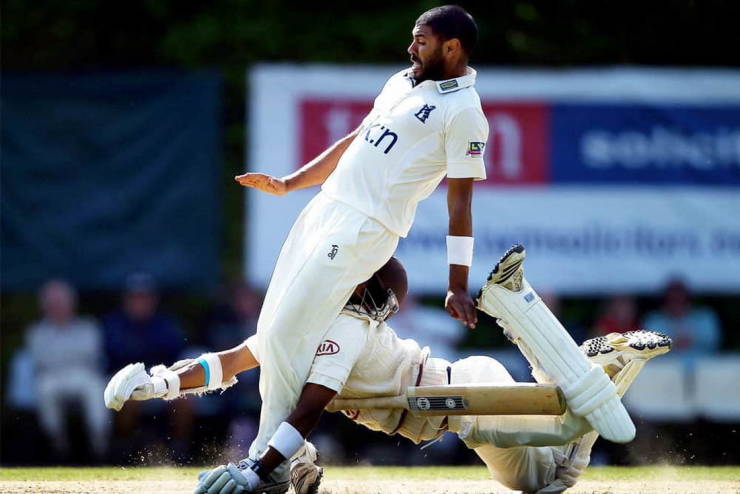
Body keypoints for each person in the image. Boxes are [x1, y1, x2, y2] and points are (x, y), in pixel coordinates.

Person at [106, 250, 669, 494]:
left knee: (552, 470)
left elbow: (309, 409)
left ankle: (578, 353)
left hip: (456, 400)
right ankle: (579, 359)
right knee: (546, 473)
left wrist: (258, 469)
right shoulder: (311, 323)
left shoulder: (340, 328)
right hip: (458, 392)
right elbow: (229, 362)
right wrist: (159, 382)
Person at [227, 4, 490, 486]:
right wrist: (290, 183)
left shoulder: (465, 112)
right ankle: (279, 458)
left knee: (286, 332)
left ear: (452, 48)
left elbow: (460, 205)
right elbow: (357, 139)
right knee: (273, 329)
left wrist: (458, 284)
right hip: (325, 209)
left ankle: (267, 460)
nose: (411, 48)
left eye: (422, 41)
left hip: (366, 228)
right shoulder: (401, 82)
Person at [26, 279, 109, 460]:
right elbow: (41, 360)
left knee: (95, 387)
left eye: (60, 302)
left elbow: (91, 355)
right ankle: (58, 445)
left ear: (71, 303)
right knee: (45, 388)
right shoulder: (36, 332)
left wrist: (61, 356)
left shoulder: (88, 327)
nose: (57, 307)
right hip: (52, 376)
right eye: (52, 303)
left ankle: (99, 445)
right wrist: (69, 357)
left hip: (82, 375)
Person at [642, 278, 721, 365]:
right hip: (664, 367)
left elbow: (713, 339)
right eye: (673, 299)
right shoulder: (655, 320)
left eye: (680, 298)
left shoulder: (704, 317)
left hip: (705, 366)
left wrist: (692, 339)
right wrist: (673, 343)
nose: (677, 302)